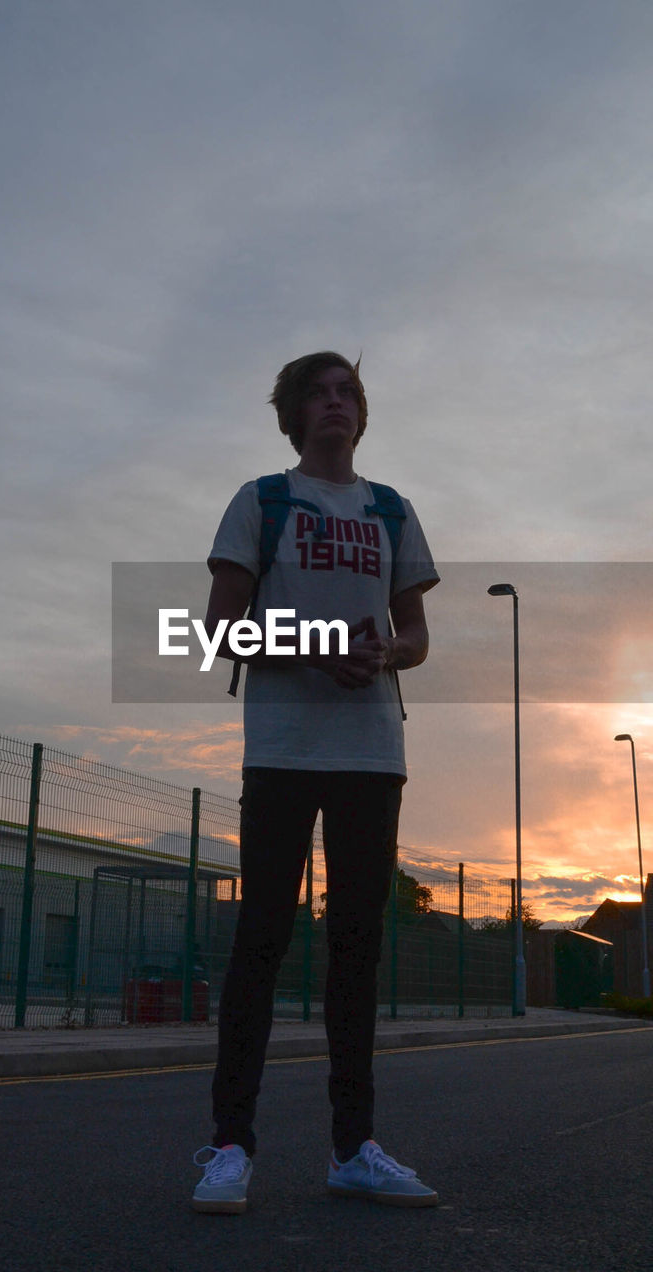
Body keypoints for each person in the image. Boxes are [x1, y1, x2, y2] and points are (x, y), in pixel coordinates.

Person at [191, 351, 440, 1214]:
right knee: (259, 943)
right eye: (318, 395)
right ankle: (228, 1148)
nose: (335, 405)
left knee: (355, 953)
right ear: (292, 416)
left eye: (347, 394)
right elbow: (217, 630)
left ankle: (353, 1148)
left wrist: (386, 653)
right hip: (285, 748)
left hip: (372, 751)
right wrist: (314, 646)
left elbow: (415, 634)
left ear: (360, 414)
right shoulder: (261, 500)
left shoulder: (389, 509)